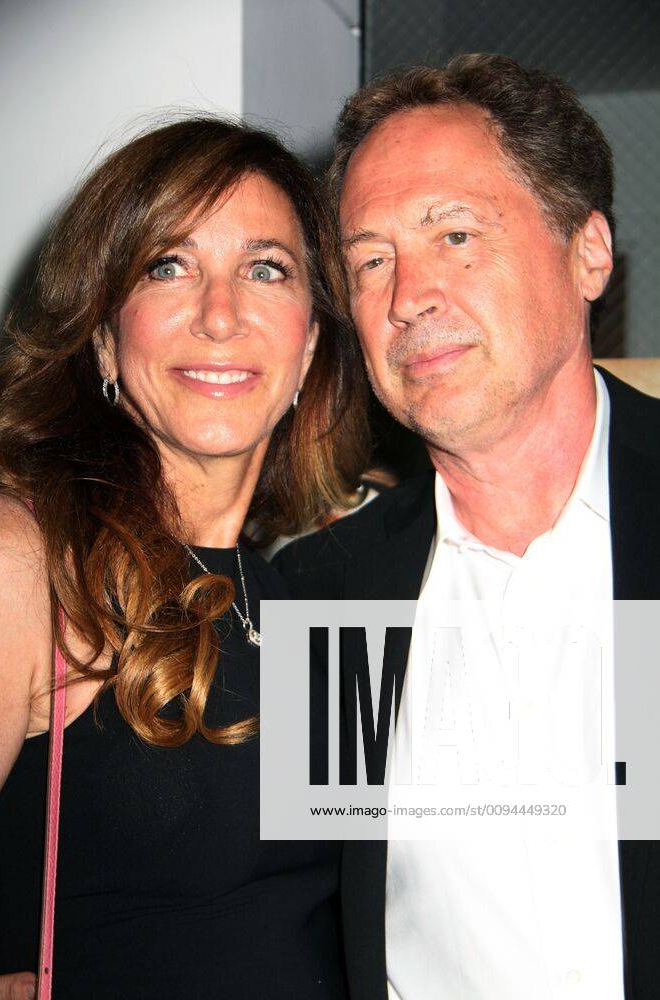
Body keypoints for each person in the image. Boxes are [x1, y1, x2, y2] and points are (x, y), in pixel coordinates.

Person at [275, 54, 660, 999]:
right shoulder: (328, 596)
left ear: (588, 253)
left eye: (453, 235)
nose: (407, 296)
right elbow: (305, 923)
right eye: (371, 260)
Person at [0, 116, 369, 998]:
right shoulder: (25, 562)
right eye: (169, 265)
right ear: (102, 335)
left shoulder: (306, 603)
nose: (220, 314)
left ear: (310, 343)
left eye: (265, 269)